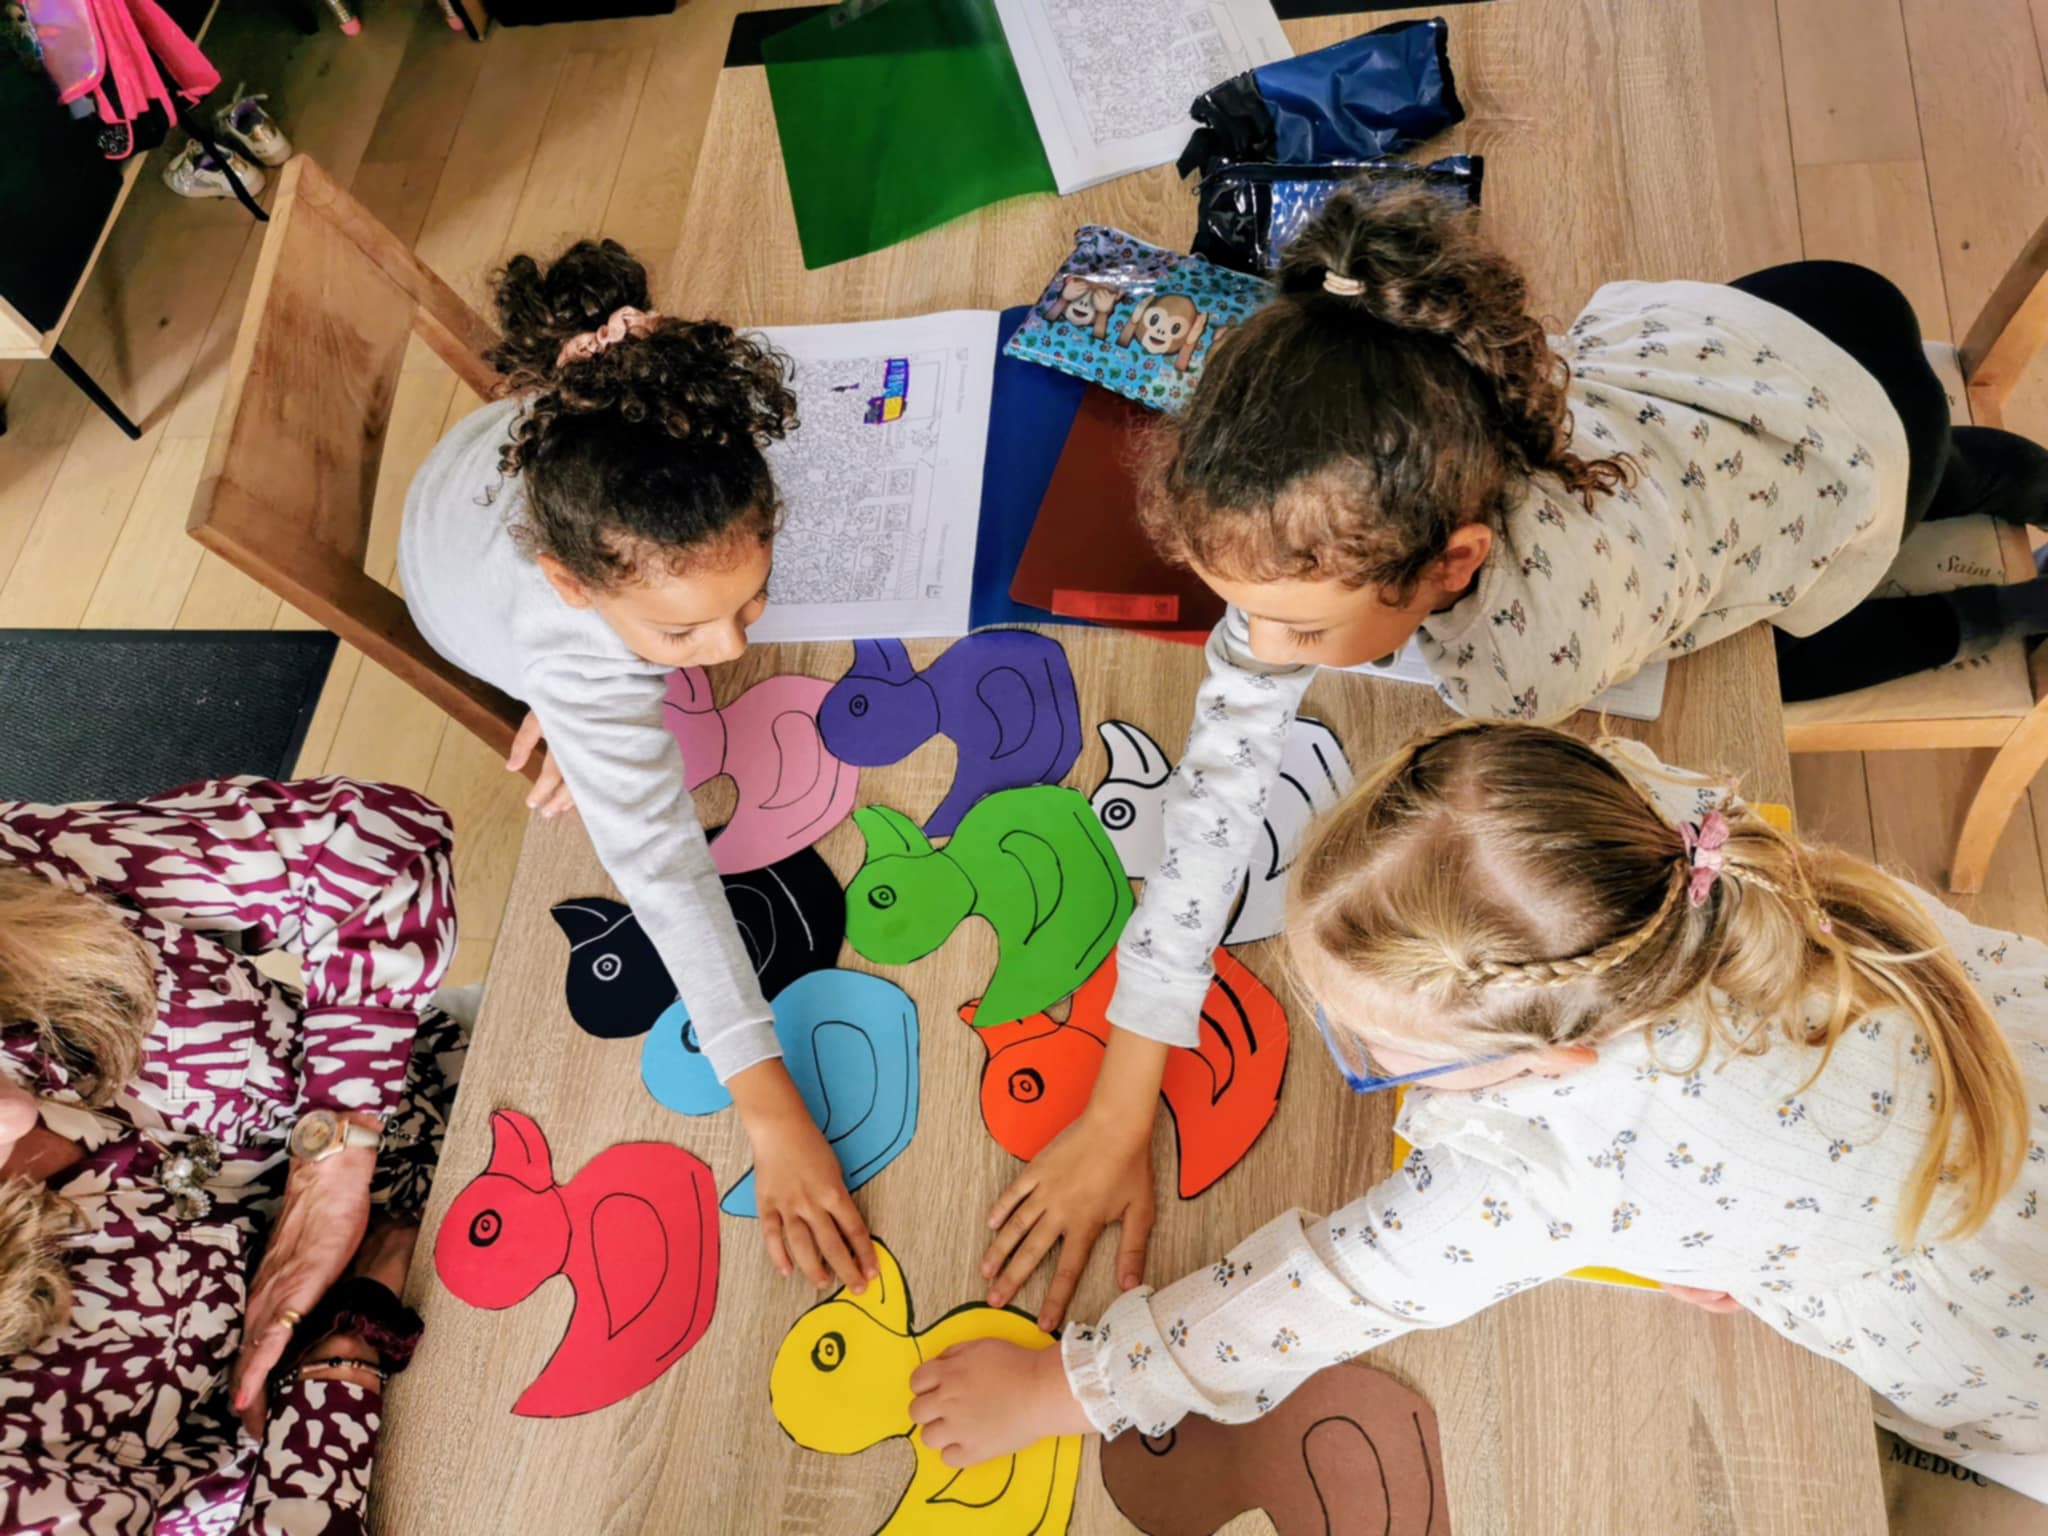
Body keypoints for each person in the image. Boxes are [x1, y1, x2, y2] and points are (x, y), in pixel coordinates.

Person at [978, 182, 2048, 1330]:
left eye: (1299, 629)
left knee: (1818, 629)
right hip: (1778, 327)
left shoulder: (1522, 662)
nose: (1257, 651)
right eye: (1242, 611)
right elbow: (1216, 790)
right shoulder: (1412, 397)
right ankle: (2000, 475)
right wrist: (1118, 1099)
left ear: (1454, 564)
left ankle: (1998, 613)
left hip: (1845, 448)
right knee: (1968, 469)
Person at [912, 722, 2048, 1503]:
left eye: (1373, 1053)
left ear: (1557, 1060)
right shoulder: (1639, 833)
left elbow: (1322, 1295)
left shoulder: (1558, 1170)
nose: (1350, 1056)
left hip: (2006, 1326)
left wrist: (1066, 1388)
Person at [397, 238, 875, 1294]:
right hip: (454, 576)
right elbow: (664, 876)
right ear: (576, 589)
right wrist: (768, 1109)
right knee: (613, 744)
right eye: (682, 635)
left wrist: (660, 649)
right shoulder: (566, 639)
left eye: (749, 600)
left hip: (498, 467)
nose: (734, 650)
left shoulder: (646, 437)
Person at [0, 775, 467, 1533]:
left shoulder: (14, 882)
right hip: (424, 1430)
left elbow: (372, 838)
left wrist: (333, 1162)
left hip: (489, 1086)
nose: (12, 1110)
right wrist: (351, 1337)